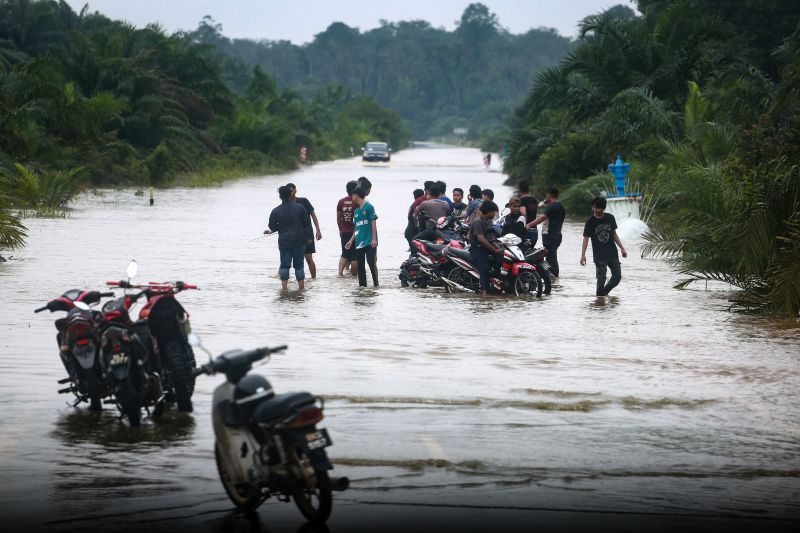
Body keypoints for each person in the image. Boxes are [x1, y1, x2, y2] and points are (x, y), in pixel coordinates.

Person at [265, 185, 310, 290]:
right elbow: (307, 224)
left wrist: (279, 227)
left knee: (285, 266)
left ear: (280, 197)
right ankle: (301, 289)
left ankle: (284, 289)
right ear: (290, 195)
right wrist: (309, 238)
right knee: (299, 266)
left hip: (284, 242)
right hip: (299, 241)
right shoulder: (300, 208)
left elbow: (272, 226)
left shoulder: (275, 211)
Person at [581, 196, 627, 296]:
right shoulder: (590, 221)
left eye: (597, 208)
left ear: (603, 208)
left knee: (617, 277)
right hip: (599, 256)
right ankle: (600, 300)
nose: (595, 210)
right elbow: (586, 238)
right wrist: (583, 255)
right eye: (593, 207)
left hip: (612, 253)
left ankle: (601, 296)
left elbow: (614, 234)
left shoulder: (610, 218)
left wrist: (622, 248)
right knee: (601, 279)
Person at [526, 188, 565, 278]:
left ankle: (553, 276)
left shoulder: (553, 206)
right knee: (549, 257)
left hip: (550, 236)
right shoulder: (561, 207)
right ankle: (550, 275)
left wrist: (528, 225)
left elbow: (542, 218)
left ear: (548, 195)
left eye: (546, 196)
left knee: (550, 258)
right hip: (557, 235)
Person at [345, 187, 379, 287]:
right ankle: (362, 287)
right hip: (359, 243)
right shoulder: (356, 211)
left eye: (352, 195)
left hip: (369, 241)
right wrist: (351, 241)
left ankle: (376, 285)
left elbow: (373, 223)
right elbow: (357, 228)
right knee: (360, 266)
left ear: (356, 195)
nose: (351, 197)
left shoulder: (369, 207)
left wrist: (374, 239)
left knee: (371, 263)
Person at [287, 183, 321, 279]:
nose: (290, 193)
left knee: (309, 259)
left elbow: (313, 215)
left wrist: (318, 230)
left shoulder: (303, 201)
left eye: (292, 191)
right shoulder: (286, 204)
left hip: (307, 234)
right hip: (293, 235)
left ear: (295, 191)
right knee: (289, 258)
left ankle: (314, 279)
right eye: (288, 191)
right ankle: (284, 278)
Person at [469, 200, 501, 296]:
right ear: (488, 211)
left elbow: (491, 238)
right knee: (485, 269)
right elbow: (481, 239)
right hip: (477, 249)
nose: (495, 214)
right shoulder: (478, 221)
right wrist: (494, 249)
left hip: (486, 248)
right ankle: (484, 293)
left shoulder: (489, 221)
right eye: (493, 212)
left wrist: (498, 249)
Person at [337, 180, 358, 276]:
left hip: (344, 231)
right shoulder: (357, 202)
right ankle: (354, 277)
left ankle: (340, 273)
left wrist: (340, 229)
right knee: (355, 256)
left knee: (344, 253)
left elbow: (338, 218)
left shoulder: (341, 201)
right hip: (355, 232)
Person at [517, 180, 539, 247]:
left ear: (519, 189)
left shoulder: (522, 201)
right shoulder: (534, 200)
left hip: (526, 230)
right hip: (534, 230)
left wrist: (524, 227)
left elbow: (523, 213)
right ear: (529, 189)